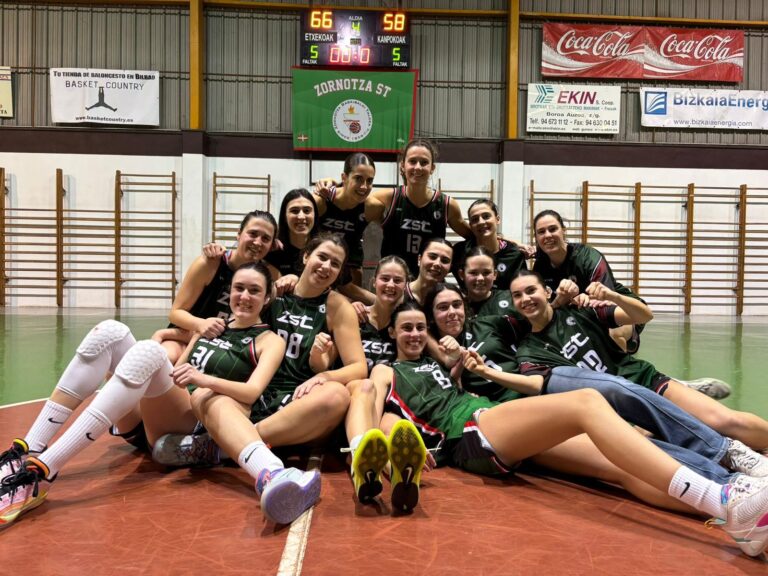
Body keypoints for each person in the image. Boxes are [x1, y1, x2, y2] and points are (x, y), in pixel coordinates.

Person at [371, 301, 768, 557]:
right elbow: (383, 416)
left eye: (420, 327)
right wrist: (392, 451)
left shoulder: (440, 365)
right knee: (587, 402)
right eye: (406, 328)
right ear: (391, 333)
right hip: (472, 434)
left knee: (621, 463)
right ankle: (724, 501)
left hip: (500, 424)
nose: (414, 334)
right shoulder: (386, 371)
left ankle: (739, 508)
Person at [0, 263, 323, 527]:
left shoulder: (268, 340)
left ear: (266, 298)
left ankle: (40, 473)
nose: (245, 296)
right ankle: (27, 449)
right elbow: (175, 372)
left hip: (192, 419)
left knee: (152, 355)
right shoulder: (212, 327)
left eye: (254, 291)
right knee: (111, 332)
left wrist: (201, 378)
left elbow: (251, 393)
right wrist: (170, 348)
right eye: (239, 288)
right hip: (159, 412)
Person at [421, 283, 768, 505]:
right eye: (441, 308)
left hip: (623, 384)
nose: (451, 312)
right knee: (631, 456)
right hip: (541, 414)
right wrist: (470, 369)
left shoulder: (503, 323)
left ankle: (735, 470)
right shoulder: (517, 353)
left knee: (724, 421)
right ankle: (732, 494)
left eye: (456, 305)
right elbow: (534, 384)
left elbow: (636, 318)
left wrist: (597, 298)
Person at [510, 269, 768, 454]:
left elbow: (644, 315)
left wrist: (613, 296)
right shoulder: (528, 351)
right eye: (517, 295)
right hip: (614, 414)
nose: (526, 299)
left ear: (547, 291)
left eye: (531, 290)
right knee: (675, 449)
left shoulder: (580, 309)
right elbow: (536, 385)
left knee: (727, 422)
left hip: (643, 381)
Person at [531, 208, 731, 399]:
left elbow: (604, 299)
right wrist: (560, 300)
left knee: (611, 334)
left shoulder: (587, 256)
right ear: (536, 238)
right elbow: (548, 308)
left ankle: (631, 392)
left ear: (564, 230)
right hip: (581, 319)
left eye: (553, 229)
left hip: (620, 310)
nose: (548, 235)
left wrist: (581, 298)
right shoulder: (540, 267)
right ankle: (669, 386)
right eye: (541, 232)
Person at [314, 152, 377, 304]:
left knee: (355, 304)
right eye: (358, 178)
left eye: (369, 181)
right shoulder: (322, 200)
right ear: (344, 177)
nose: (364, 186)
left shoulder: (371, 207)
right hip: (319, 264)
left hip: (349, 266)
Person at [451, 199, 529, 291]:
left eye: (486, 216)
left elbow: (522, 290)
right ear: (471, 225)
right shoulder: (459, 251)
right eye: (475, 219)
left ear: (497, 219)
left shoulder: (514, 254)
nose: (481, 222)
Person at [265, 188, 318, 277]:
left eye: (306, 211)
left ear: (315, 215)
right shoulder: (272, 251)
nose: (301, 216)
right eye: (294, 211)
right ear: (284, 216)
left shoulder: (323, 249)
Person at [458, 246, 516, 317]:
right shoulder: (455, 306)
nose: (480, 278)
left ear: (495, 274)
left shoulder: (512, 299)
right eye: (473, 273)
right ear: (462, 275)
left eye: (486, 273)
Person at [403, 237, 453, 306]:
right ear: (419, 259)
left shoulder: (452, 301)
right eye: (432, 257)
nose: (437, 264)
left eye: (445, 261)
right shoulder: (398, 293)